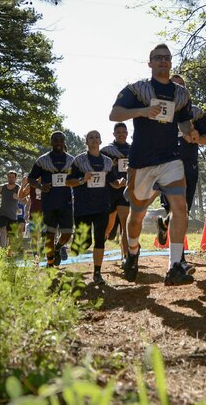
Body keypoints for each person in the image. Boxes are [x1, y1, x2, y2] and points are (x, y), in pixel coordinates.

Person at [109, 43, 199, 286]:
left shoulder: (181, 93)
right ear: (150, 63)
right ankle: (133, 253)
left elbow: (183, 123)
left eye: (167, 58)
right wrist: (143, 111)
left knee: (179, 207)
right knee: (136, 215)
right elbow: (115, 114)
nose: (163, 61)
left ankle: (174, 266)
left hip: (170, 158)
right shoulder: (138, 89)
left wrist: (190, 133)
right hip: (142, 162)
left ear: (171, 63)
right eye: (158, 58)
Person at [157, 74, 206, 269]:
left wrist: (198, 137)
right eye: (173, 85)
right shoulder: (160, 109)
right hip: (166, 165)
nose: (177, 89)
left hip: (188, 165)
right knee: (175, 210)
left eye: (181, 86)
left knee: (183, 210)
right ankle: (179, 260)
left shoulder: (195, 112)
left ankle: (164, 225)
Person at [68, 130, 123, 285]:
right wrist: (81, 179)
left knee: (100, 240)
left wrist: (119, 183)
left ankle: (97, 273)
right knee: (85, 243)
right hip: (83, 208)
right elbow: (68, 181)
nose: (94, 139)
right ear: (86, 142)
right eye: (90, 137)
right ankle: (77, 241)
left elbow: (112, 181)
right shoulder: (79, 160)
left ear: (100, 141)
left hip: (102, 207)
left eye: (96, 137)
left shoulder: (107, 161)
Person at [26, 131, 75, 267]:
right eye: (55, 140)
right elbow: (30, 178)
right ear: (51, 142)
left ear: (64, 142)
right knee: (49, 235)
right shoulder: (43, 160)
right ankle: (50, 262)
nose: (58, 142)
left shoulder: (71, 160)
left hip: (66, 203)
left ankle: (58, 248)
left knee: (67, 235)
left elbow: (79, 177)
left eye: (61, 140)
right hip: (49, 204)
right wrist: (41, 186)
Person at [101, 122, 131, 260]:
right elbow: (98, 168)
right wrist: (109, 166)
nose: (121, 134)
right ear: (114, 134)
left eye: (123, 132)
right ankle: (101, 245)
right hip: (109, 192)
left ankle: (126, 256)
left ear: (127, 133)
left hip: (125, 191)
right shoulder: (107, 150)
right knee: (108, 227)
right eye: (118, 132)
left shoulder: (133, 150)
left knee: (125, 225)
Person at [0, 170, 21, 250]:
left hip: (13, 215)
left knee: (11, 236)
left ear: (15, 178)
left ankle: (9, 253)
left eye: (12, 177)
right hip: (3, 213)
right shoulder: (2, 187)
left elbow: (24, 199)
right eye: (9, 177)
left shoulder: (18, 188)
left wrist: (18, 197)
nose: (11, 179)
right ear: (7, 177)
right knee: (3, 230)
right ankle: (2, 249)